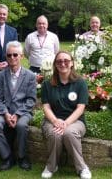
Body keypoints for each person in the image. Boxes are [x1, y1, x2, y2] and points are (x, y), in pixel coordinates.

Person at [40, 51, 92, 179]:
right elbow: (46, 107)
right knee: (55, 133)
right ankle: (51, 166)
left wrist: (66, 123)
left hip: (75, 121)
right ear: (55, 64)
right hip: (52, 120)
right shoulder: (47, 84)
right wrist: (55, 121)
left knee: (69, 133)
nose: (63, 63)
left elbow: (81, 108)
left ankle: (82, 167)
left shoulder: (80, 83)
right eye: (59, 61)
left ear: (72, 63)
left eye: (66, 61)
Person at [0, 41, 36, 172]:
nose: (12, 58)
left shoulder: (30, 76)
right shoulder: (1, 75)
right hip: (5, 112)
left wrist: (17, 114)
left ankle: (22, 157)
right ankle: (8, 157)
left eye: (15, 55)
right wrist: (5, 114)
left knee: (21, 125)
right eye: (9, 55)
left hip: (23, 112)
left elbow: (31, 100)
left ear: (21, 56)